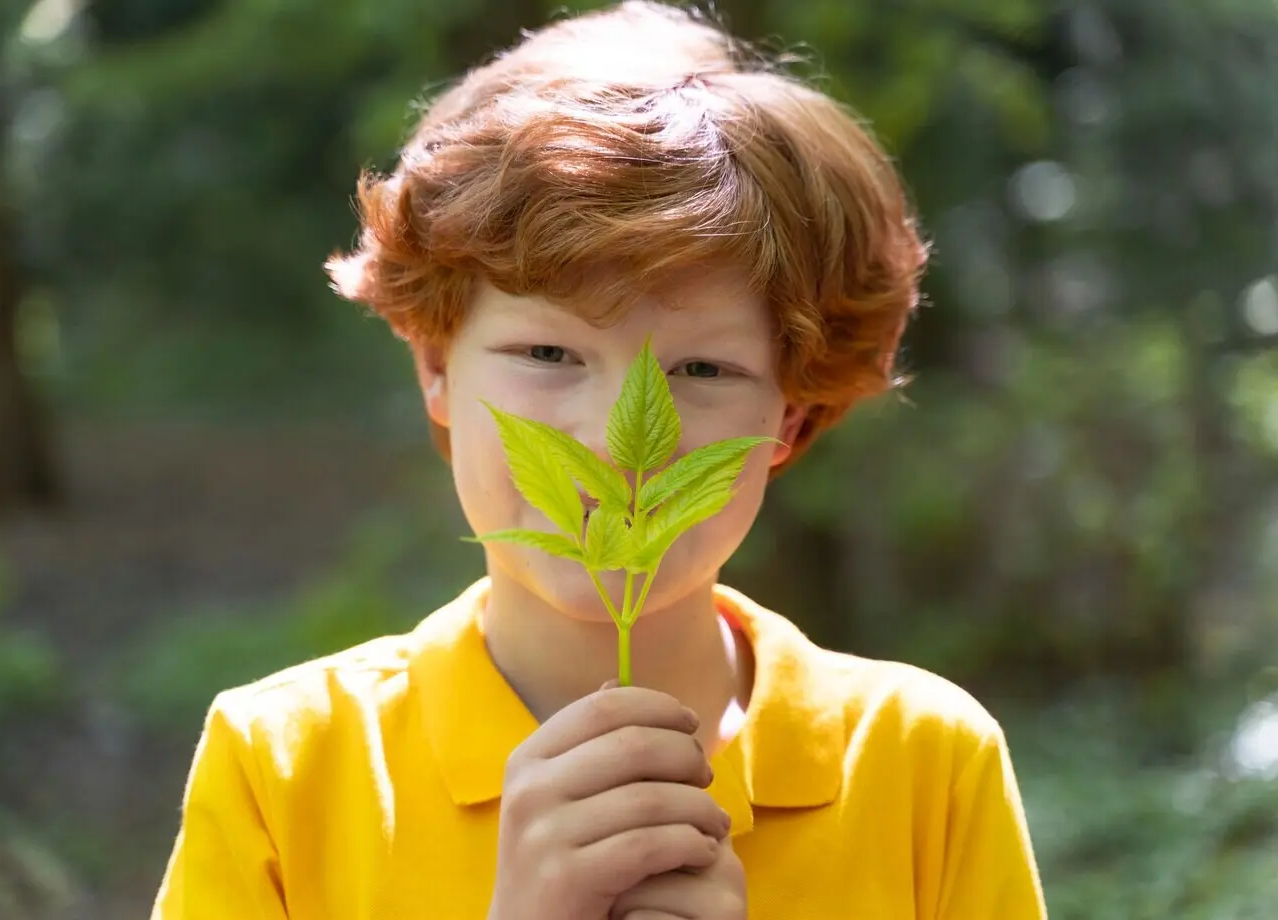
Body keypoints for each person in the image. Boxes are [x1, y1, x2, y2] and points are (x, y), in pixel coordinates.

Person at [151, 2, 1048, 918]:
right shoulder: (286, 765)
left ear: (792, 412)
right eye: (549, 355)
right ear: (435, 364)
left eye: (703, 369)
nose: (616, 444)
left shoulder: (921, 764)